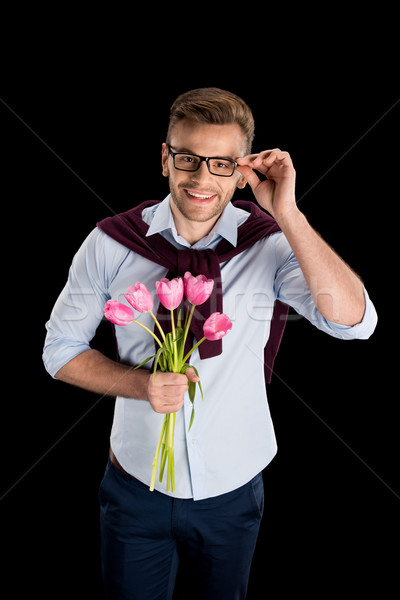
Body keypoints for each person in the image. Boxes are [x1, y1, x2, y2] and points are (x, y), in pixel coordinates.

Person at [42, 87, 377, 599]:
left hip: (234, 493)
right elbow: (59, 350)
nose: (202, 179)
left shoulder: (269, 244)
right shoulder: (111, 243)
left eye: (222, 164)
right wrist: (141, 385)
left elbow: (354, 322)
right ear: (164, 159)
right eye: (188, 159)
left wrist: (288, 213)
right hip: (135, 490)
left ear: (242, 171)